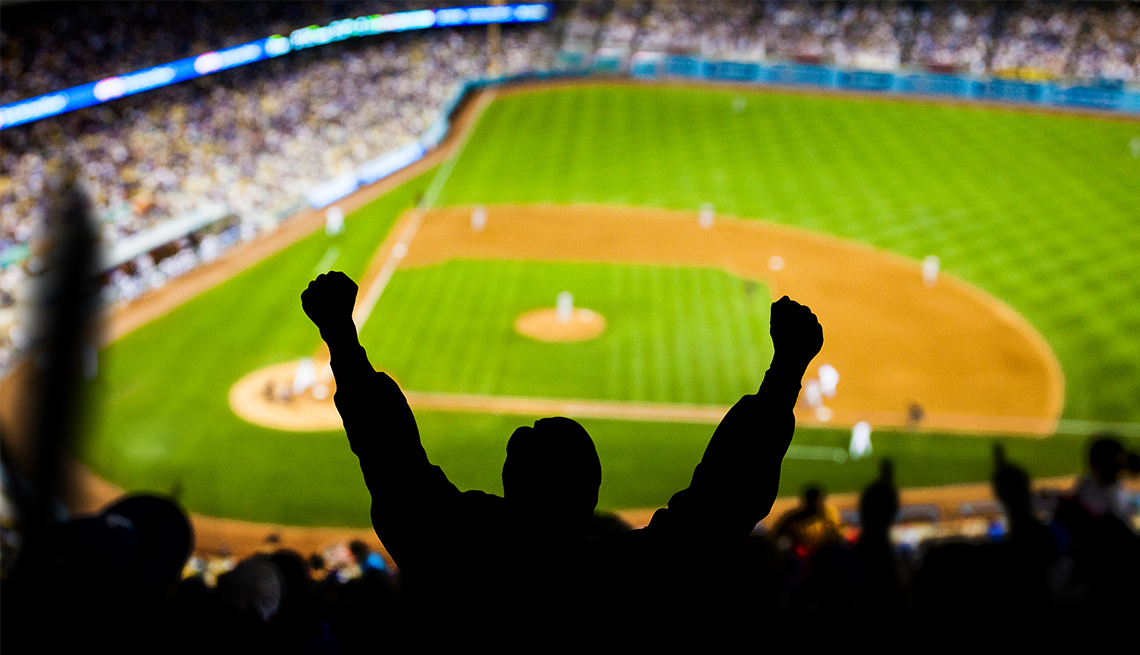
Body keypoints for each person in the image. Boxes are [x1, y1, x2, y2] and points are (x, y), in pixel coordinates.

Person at [300, 271, 823, 638]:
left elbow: (391, 461)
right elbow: (719, 510)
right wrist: (784, 372)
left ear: (506, 483)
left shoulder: (451, 556)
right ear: (592, 496)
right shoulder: (629, 584)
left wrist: (341, 336)